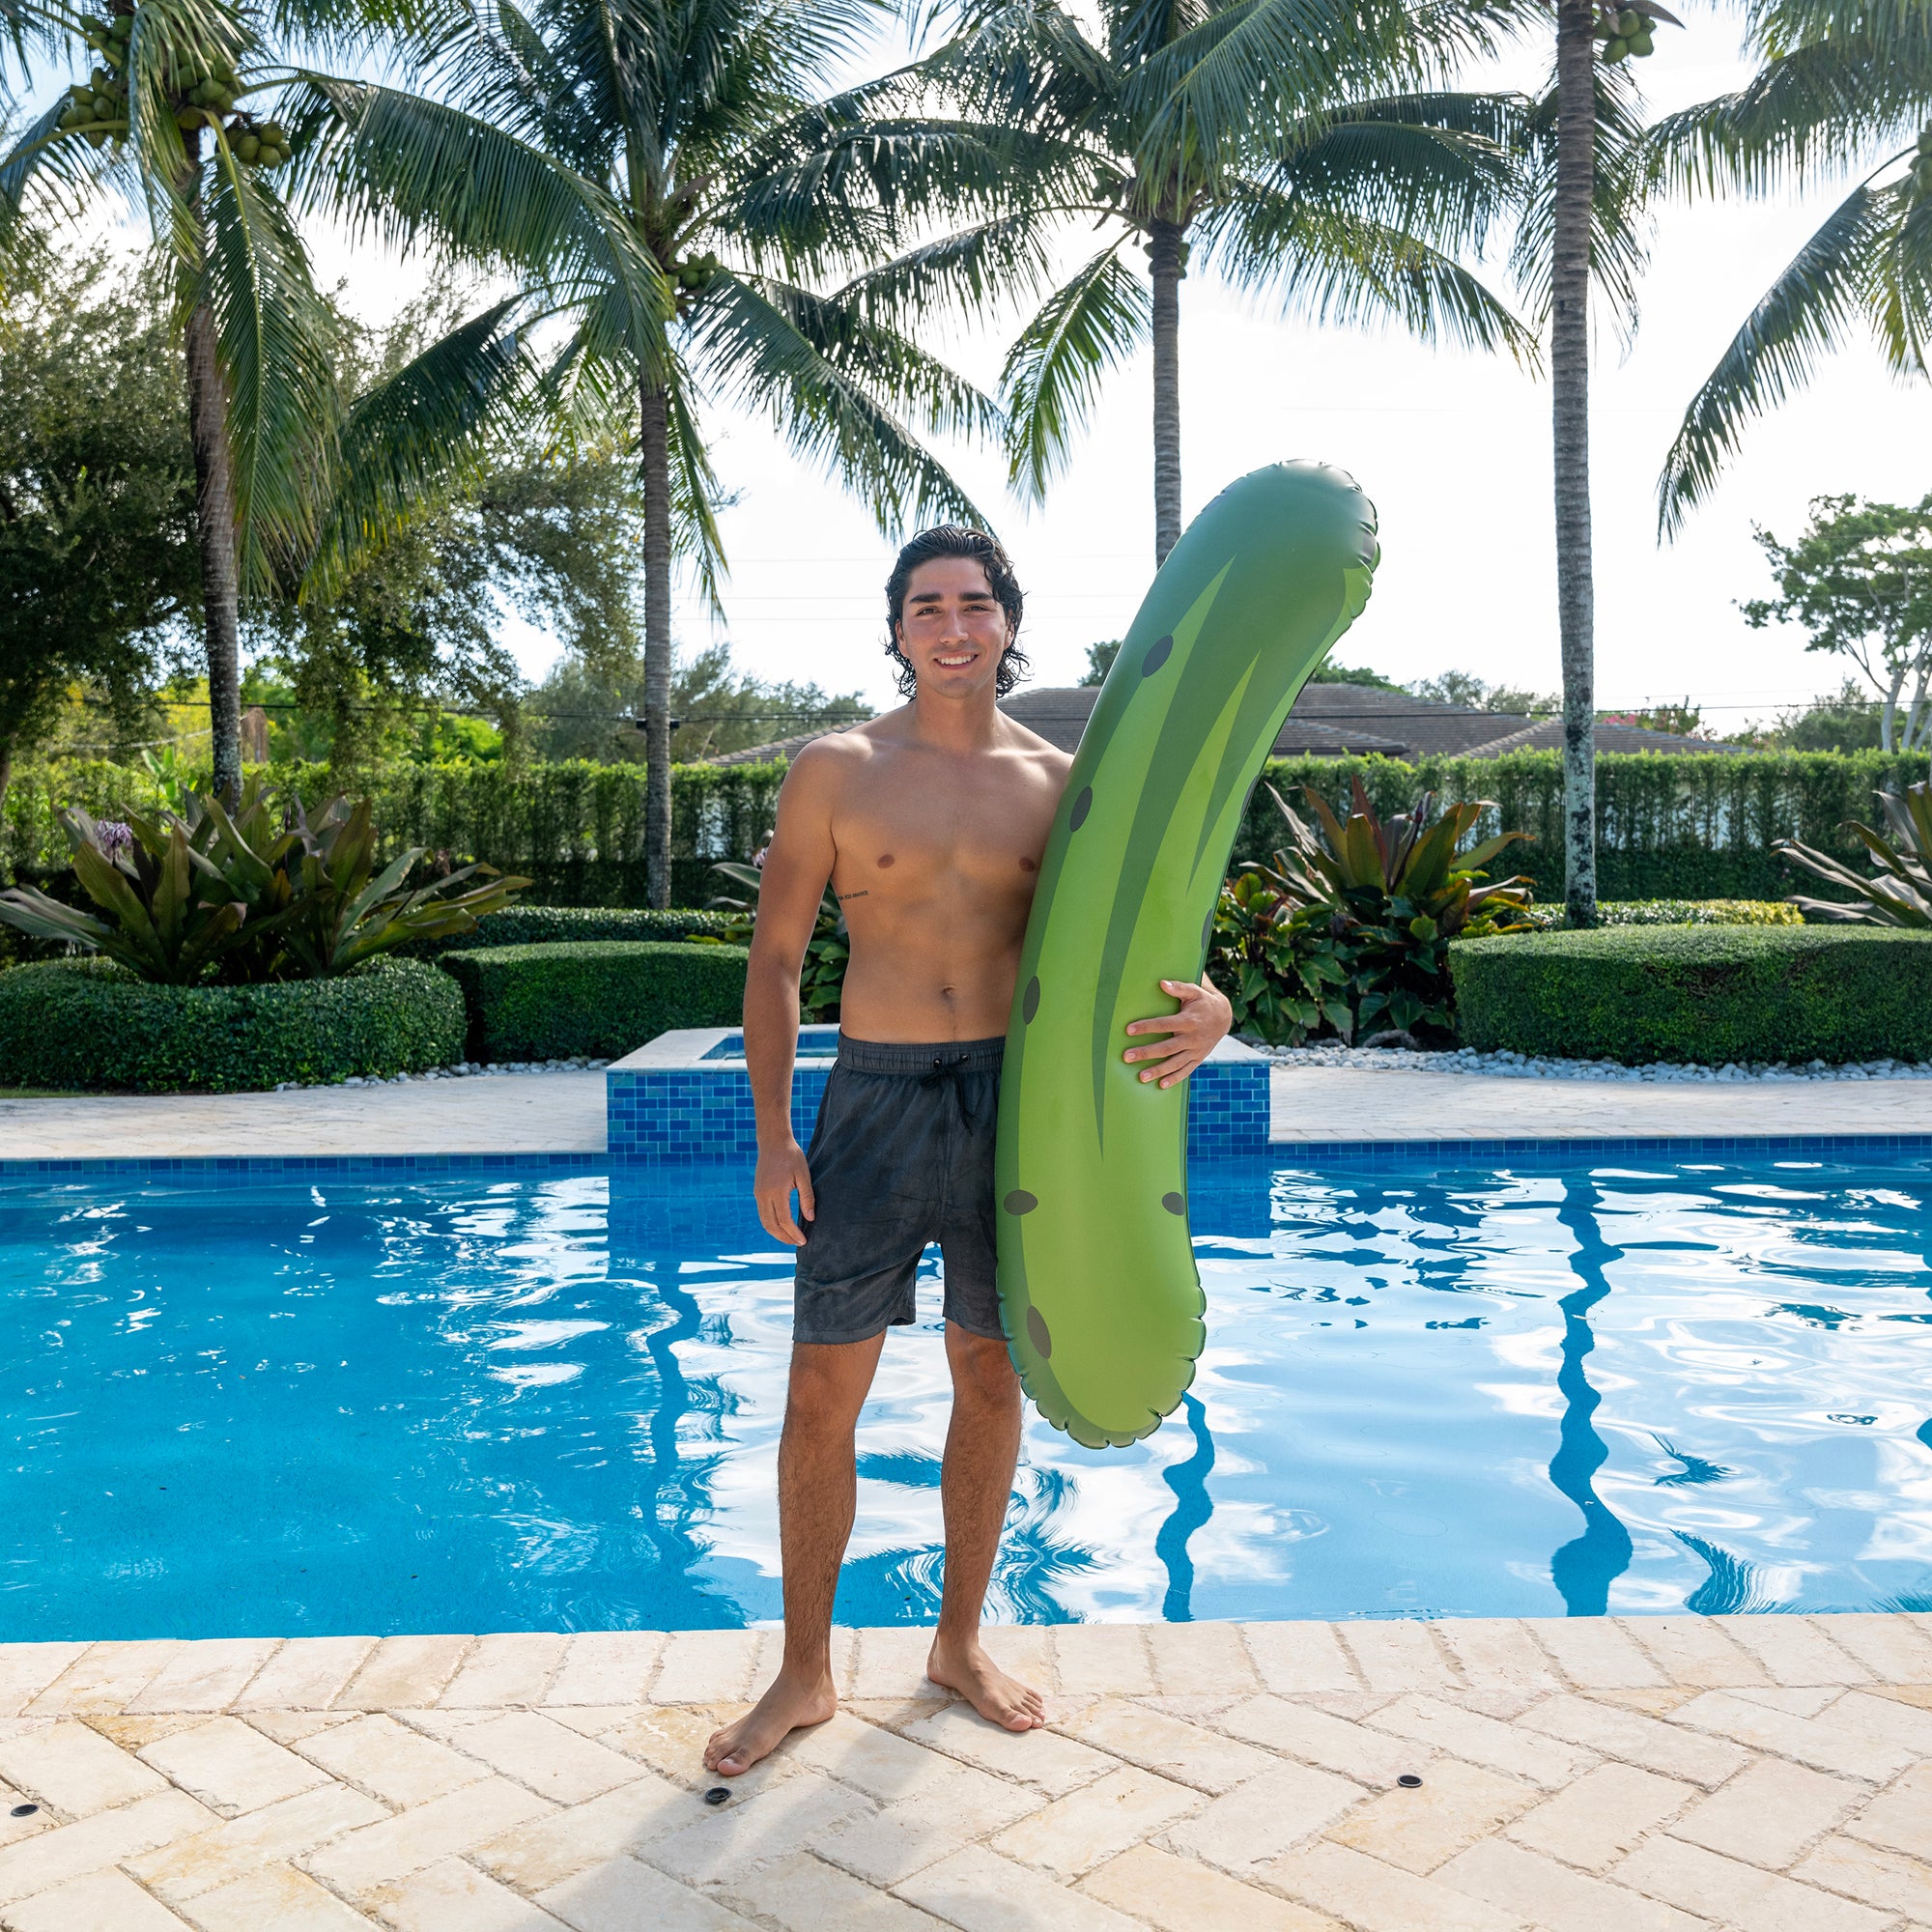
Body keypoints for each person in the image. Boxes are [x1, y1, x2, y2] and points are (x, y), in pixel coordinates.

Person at [703, 526, 1233, 1776]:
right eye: (928, 606)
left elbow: (1138, 939)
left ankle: (957, 1645)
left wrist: (1215, 1010)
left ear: (1007, 625)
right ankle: (805, 1671)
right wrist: (776, 1136)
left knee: (993, 1378)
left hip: (1017, 1108)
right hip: (871, 1102)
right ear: (896, 630)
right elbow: (776, 962)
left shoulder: (1059, 784)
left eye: (976, 605)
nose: (953, 626)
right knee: (821, 1393)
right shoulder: (836, 770)